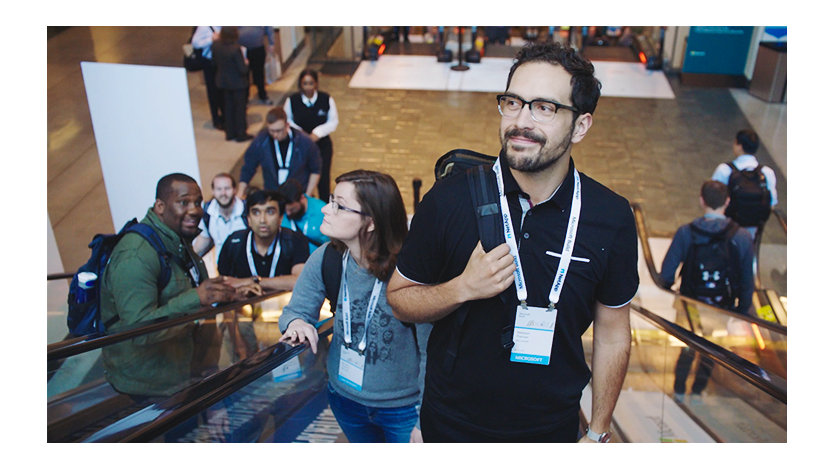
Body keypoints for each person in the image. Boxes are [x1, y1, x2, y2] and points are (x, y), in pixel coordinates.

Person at [387, 42, 638, 443]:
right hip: (452, 424)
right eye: (513, 102)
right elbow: (399, 298)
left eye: (544, 107)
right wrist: (462, 288)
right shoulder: (450, 198)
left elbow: (612, 332)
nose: (521, 121)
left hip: (550, 429)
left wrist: (599, 430)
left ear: (581, 126)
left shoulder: (610, 218)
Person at [279, 170, 423, 443]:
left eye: (338, 205)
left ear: (370, 222)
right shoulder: (327, 258)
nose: (325, 210)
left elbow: (432, 350)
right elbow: (295, 311)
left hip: (403, 408)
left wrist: (424, 418)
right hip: (344, 399)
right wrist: (297, 322)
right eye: (330, 200)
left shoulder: (410, 271)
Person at [99, 173, 256, 396]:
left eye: (198, 202)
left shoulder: (177, 240)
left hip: (183, 375)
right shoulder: (135, 255)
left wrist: (225, 294)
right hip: (149, 388)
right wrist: (197, 298)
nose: (194, 210)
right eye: (183, 202)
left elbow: (185, 289)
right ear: (160, 206)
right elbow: (137, 330)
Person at [659, 180, 755, 403]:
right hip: (720, 307)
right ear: (728, 202)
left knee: (687, 346)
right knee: (711, 348)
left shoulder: (686, 232)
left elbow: (666, 274)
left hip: (688, 305)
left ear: (701, 200)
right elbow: (746, 279)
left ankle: (679, 391)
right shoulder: (741, 237)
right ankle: (697, 392)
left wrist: (669, 290)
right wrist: (741, 309)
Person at [217, 189, 309, 292]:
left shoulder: (295, 240)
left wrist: (253, 282)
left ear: (281, 218)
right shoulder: (234, 242)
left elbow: (299, 281)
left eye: (270, 212)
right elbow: (224, 284)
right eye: (256, 212)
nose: (262, 220)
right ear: (249, 219)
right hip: (243, 305)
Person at [237, 106, 321, 198]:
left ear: (287, 125)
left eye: (278, 130)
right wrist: (240, 194)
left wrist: (307, 196)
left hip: (297, 195)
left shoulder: (304, 142)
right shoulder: (261, 141)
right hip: (272, 193)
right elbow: (248, 167)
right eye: (271, 131)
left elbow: (316, 169)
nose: (275, 134)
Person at [284, 69, 339, 201]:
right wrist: (301, 133)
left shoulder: (326, 99)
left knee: (323, 178)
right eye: (305, 83)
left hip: (322, 145)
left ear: (316, 84)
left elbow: (333, 121)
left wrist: (317, 133)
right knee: (302, 177)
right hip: (300, 146)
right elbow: (287, 120)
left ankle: (325, 206)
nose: (308, 87)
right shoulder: (292, 101)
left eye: (311, 83)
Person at [711, 129, 778, 236]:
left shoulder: (724, 170)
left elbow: (712, 200)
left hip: (725, 231)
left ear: (739, 146)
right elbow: (771, 204)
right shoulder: (767, 173)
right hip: (751, 233)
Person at [193, 173, 247, 265]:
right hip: (223, 272)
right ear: (213, 191)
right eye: (219, 189)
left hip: (248, 271)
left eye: (227, 188)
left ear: (234, 190)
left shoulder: (247, 211)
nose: (223, 193)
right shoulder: (207, 213)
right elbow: (202, 244)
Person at [212, 26, 253, 142]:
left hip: (223, 82)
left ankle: (230, 133)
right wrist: (246, 63)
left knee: (228, 107)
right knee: (239, 109)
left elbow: (214, 62)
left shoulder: (216, 46)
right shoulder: (236, 49)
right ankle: (241, 133)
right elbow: (242, 69)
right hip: (238, 83)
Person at [277, 178, 329, 254]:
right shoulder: (282, 212)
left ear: (302, 198)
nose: (287, 213)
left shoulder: (322, 211)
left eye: (292, 209)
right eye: (286, 210)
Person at [191, 26, 223, 130]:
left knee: (221, 90)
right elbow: (195, 43)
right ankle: (216, 119)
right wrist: (211, 39)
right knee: (212, 91)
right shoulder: (204, 27)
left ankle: (223, 115)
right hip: (209, 63)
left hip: (220, 61)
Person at [238, 26, 275, 105]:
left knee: (259, 74)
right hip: (241, 49)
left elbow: (268, 27)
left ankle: (263, 95)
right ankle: (245, 98)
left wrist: (271, 42)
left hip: (258, 48)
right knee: (244, 75)